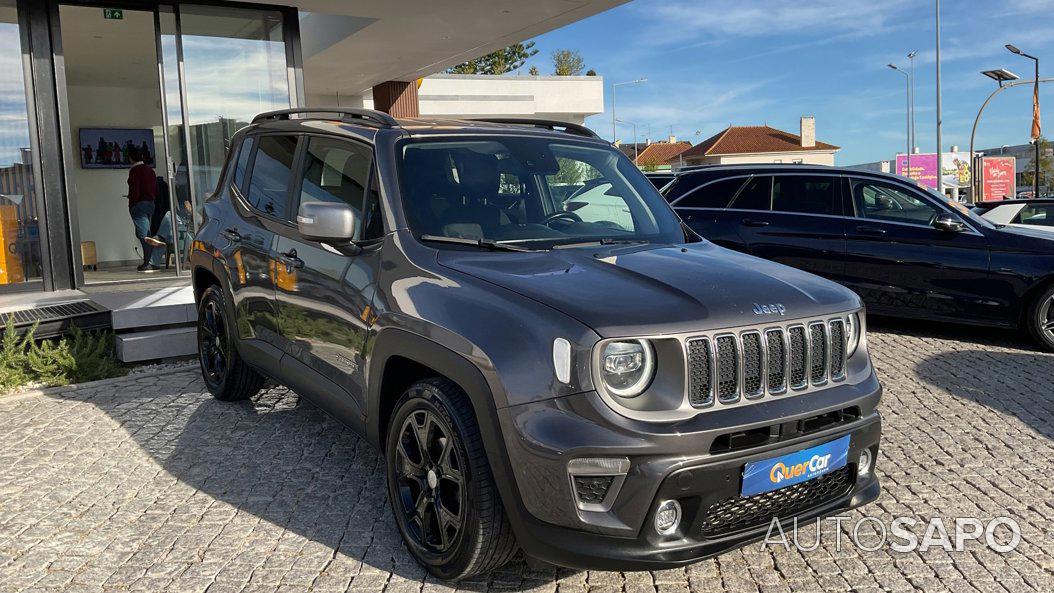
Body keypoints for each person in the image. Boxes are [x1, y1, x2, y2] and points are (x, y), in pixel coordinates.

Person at [126, 146, 162, 272]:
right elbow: (156, 190)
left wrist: (132, 202)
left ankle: (149, 262)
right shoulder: (150, 170)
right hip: (150, 204)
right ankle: (151, 261)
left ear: (131, 158)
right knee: (146, 232)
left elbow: (134, 189)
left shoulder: (135, 171)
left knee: (144, 235)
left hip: (138, 205)